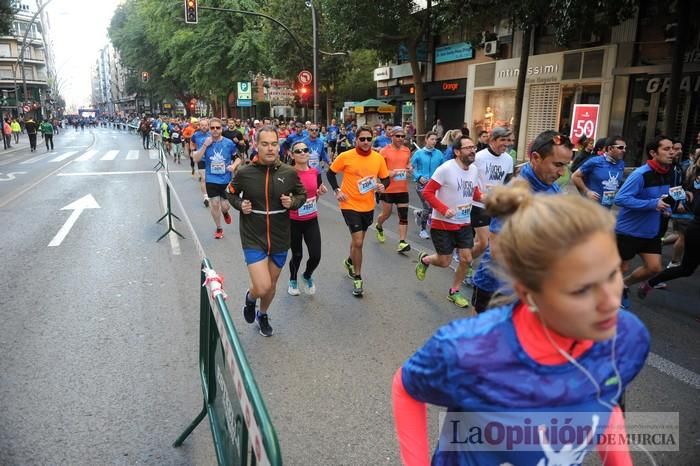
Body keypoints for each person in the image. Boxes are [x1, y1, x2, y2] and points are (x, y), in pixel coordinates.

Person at [393, 181, 649, 465]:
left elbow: (604, 397)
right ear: (528, 294)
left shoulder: (627, 336)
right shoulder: (469, 350)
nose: (611, 302)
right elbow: (406, 387)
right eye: (581, 290)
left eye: (612, 273)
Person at [471, 131, 573, 313]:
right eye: (557, 164)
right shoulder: (514, 194)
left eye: (566, 165)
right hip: (497, 287)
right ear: (535, 158)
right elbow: (497, 250)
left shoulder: (553, 188)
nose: (561, 172)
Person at [228, 126, 306, 337]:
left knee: (271, 287)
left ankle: (263, 314)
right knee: (262, 286)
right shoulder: (245, 172)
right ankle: (251, 298)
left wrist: (293, 202)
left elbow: (302, 195)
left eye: (274, 144)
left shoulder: (289, 172)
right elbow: (231, 193)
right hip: (253, 236)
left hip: (280, 237)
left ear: (279, 146)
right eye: (265, 144)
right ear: (256, 145)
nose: (270, 149)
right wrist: (239, 204)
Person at [414, 135, 479, 308]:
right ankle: (425, 260)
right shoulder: (445, 169)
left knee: (466, 258)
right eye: (468, 148)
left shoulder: (474, 170)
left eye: (474, 147)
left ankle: (454, 291)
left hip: (464, 222)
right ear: (457, 152)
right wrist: (444, 209)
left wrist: (488, 198)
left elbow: (473, 192)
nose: (473, 150)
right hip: (442, 223)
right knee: (444, 262)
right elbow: (428, 192)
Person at [614, 136, 677, 308]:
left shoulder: (668, 173)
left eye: (672, 148)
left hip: (651, 231)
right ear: (652, 152)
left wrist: (667, 209)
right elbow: (621, 198)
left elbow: (663, 198)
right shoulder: (640, 174)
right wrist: (652, 204)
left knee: (654, 268)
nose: (671, 152)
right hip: (629, 231)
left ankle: (623, 285)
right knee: (621, 267)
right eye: (666, 149)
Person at [327, 125, 390, 297]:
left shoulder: (378, 158)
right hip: (349, 204)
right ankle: (358, 277)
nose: (365, 142)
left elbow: (386, 178)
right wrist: (337, 190)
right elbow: (330, 173)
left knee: (358, 240)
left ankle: (349, 261)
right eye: (362, 139)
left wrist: (382, 186)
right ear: (356, 140)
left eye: (369, 139)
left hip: (368, 205)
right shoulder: (346, 156)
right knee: (359, 242)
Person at [638, 154, 698, 298]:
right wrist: (681, 201)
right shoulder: (688, 173)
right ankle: (651, 282)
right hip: (696, 229)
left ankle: (651, 281)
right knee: (686, 269)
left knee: (686, 269)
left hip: (688, 221)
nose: (674, 152)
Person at [469, 127, 515, 281]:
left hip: (496, 206)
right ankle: (466, 264)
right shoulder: (479, 157)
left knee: (481, 242)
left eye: (509, 140)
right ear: (493, 140)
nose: (507, 144)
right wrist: (479, 195)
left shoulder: (508, 159)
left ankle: (466, 258)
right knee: (484, 243)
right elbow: (469, 179)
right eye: (503, 140)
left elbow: (508, 181)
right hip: (478, 204)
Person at [287, 140, 328, 296]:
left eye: (305, 150)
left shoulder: (315, 172)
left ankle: (307, 275)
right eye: (298, 151)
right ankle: (292, 280)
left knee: (316, 255)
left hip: (311, 219)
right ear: (292, 155)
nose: (303, 153)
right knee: (297, 254)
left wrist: (319, 193)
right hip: (293, 220)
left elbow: (315, 194)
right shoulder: (288, 173)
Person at [192, 118, 240, 239]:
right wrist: (204, 145)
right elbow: (196, 159)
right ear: (209, 128)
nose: (215, 130)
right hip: (211, 179)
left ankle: (225, 212)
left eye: (217, 128)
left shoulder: (228, 143)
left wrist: (233, 166)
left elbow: (238, 158)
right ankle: (219, 228)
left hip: (226, 179)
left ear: (221, 129)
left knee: (225, 206)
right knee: (214, 204)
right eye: (212, 128)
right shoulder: (204, 141)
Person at [376, 126, 413, 253]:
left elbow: (407, 164)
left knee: (403, 216)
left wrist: (409, 168)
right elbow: (378, 170)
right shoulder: (384, 151)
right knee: (386, 214)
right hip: (388, 188)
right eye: (398, 136)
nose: (401, 138)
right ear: (392, 136)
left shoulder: (407, 150)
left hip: (402, 188)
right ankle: (379, 225)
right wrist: (390, 173)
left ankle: (402, 242)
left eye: (403, 136)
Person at [572, 136, 626, 208]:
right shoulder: (595, 161)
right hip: (590, 207)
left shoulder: (621, 164)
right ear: (610, 148)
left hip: (607, 208)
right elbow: (575, 176)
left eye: (625, 148)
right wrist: (586, 191)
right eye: (620, 147)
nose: (624, 150)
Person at [410, 131, 444, 239]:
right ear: (426, 139)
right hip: (422, 185)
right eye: (432, 139)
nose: (434, 141)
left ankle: (420, 214)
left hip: (434, 184)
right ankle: (423, 230)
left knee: (432, 208)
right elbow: (410, 167)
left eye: (435, 139)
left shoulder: (439, 153)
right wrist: (419, 177)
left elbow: (443, 168)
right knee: (428, 207)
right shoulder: (418, 153)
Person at [190, 118, 211, 207]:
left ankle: (212, 193)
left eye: (205, 125)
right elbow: (192, 142)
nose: (204, 127)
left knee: (211, 178)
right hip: (201, 159)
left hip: (211, 159)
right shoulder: (196, 135)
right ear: (199, 125)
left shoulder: (211, 134)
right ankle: (206, 197)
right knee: (204, 178)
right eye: (202, 125)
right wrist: (193, 150)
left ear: (208, 126)